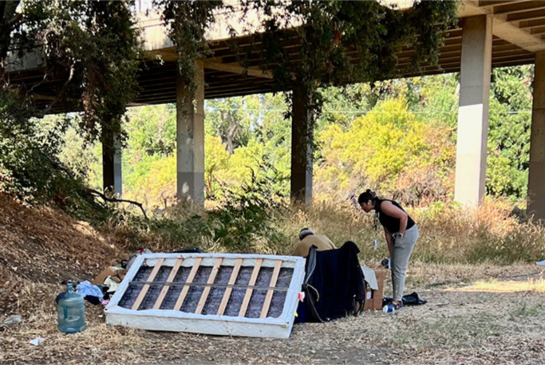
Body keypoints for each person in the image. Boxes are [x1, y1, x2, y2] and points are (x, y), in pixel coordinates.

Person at [358, 189, 419, 310]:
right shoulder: (379, 212)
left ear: (369, 202)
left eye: (363, 205)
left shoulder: (384, 205)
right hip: (396, 235)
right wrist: (391, 251)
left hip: (407, 232)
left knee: (398, 268)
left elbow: (403, 216)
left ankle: (397, 301)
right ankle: (397, 297)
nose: (362, 208)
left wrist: (400, 235)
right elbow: (387, 232)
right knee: (394, 266)